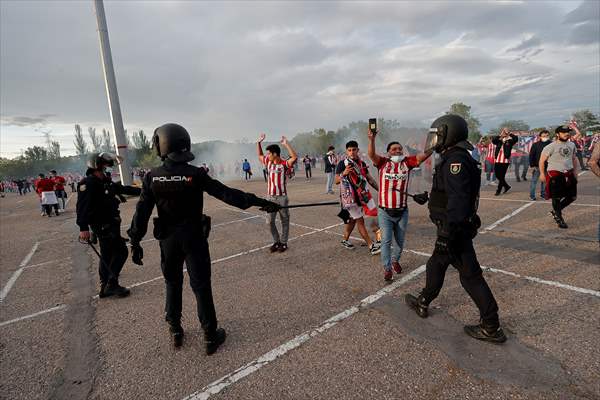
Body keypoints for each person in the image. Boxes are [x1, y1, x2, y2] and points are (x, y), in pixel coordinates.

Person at [127, 124, 279, 351]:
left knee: (172, 282)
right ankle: (209, 334)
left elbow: (142, 212)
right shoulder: (195, 174)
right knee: (201, 286)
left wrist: (135, 240)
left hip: (168, 239)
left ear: (163, 145)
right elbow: (227, 194)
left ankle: (175, 329)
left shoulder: (152, 177)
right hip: (193, 238)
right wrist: (261, 202)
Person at [405, 114, 506, 343]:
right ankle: (423, 301)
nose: (434, 140)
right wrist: (430, 197)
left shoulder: (455, 162)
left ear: (448, 134)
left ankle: (491, 325)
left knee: (470, 277)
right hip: (452, 228)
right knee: (436, 264)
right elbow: (451, 194)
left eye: (437, 135)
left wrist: (446, 235)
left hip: (452, 230)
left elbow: (459, 202)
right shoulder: (455, 157)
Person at [367, 127, 432, 282]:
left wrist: (433, 143)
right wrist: (371, 139)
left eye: (400, 149)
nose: (397, 151)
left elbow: (424, 155)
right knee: (386, 241)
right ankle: (387, 268)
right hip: (385, 211)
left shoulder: (407, 163)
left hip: (402, 211)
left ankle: (395, 260)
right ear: (388, 152)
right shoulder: (382, 162)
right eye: (394, 149)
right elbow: (371, 154)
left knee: (400, 242)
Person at [76, 152, 141, 298]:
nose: (107, 171)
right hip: (102, 225)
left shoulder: (104, 181)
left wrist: (146, 191)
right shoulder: (88, 183)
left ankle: (104, 286)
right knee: (121, 252)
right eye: (104, 168)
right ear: (96, 167)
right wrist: (83, 228)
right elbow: (82, 208)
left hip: (111, 223)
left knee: (106, 255)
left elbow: (124, 189)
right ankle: (111, 284)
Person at [336, 140, 381, 255]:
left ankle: (345, 240)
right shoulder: (342, 163)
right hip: (350, 198)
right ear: (346, 151)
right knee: (360, 221)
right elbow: (336, 180)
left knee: (353, 220)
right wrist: (344, 173)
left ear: (358, 150)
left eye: (354, 150)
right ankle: (371, 246)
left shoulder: (361, 163)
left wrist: (381, 191)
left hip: (363, 196)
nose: (352, 152)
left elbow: (369, 179)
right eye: (349, 150)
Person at [257, 133, 298, 253]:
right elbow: (260, 155)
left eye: (269, 153)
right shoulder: (268, 162)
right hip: (270, 197)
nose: (267, 155)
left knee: (285, 220)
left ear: (275, 154)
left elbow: (294, 157)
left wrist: (286, 144)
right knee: (269, 221)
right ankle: (276, 241)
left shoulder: (284, 164)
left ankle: (284, 243)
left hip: (282, 197)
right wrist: (258, 143)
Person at [539, 125, 579, 229]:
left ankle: (555, 211)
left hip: (569, 174)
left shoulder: (572, 145)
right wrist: (542, 174)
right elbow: (542, 161)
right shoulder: (550, 146)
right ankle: (559, 218)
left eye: (568, 132)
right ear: (557, 134)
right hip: (555, 175)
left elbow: (574, 159)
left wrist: (575, 173)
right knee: (556, 198)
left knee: (572, 197)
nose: (567, 134)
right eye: (564, 132)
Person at [491, 128, 518, 195]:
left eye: (505, 133)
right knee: (497, 175)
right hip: (497, 160)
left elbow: (516, 139)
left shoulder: (510, 141)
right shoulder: (499, 140)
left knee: (501, 176)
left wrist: (509, 132)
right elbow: (493, 141)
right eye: (503, 132)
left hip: (505, 160)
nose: (504, 134)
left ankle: (498, 190)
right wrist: (500, 136)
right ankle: (506, 186)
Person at [528, 130, 551, 200]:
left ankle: (543, 194)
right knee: (534, 181)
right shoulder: (535, 145)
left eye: (547, 136)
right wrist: (532, 166)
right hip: (537, 167)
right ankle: (532, 195)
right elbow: (531, 155)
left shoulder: (551, 144)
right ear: (540, 137)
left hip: (548, 166)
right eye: (544, 136)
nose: (545, 137)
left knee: (545, 181)